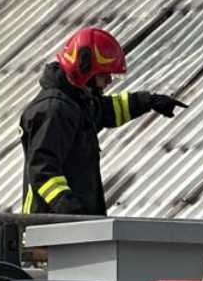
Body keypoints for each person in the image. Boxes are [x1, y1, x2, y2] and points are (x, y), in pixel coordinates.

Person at [19, 27, 186, 214]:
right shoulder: (54, 110)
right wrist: (65, 205)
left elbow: (107, 110)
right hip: (47, 226)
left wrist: (149, 101)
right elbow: (42, 168)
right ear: (85, 69)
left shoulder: (76, 102)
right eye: (104, 74)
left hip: (69, 224)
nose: (109, 80)